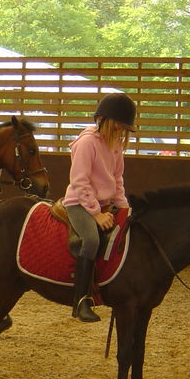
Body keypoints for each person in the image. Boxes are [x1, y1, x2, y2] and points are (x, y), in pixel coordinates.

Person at [62, 92, 136, 323]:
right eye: (119, 126)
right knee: (91, 240)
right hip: (79, 203)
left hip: (104, 203)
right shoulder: (86, 143)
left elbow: (117, 180)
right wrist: (95, 214)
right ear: (105, 120)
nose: (122, 131)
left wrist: (124, 209)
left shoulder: (115, 145)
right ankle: (81, 300)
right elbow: (80, 181)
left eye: (124, 128)